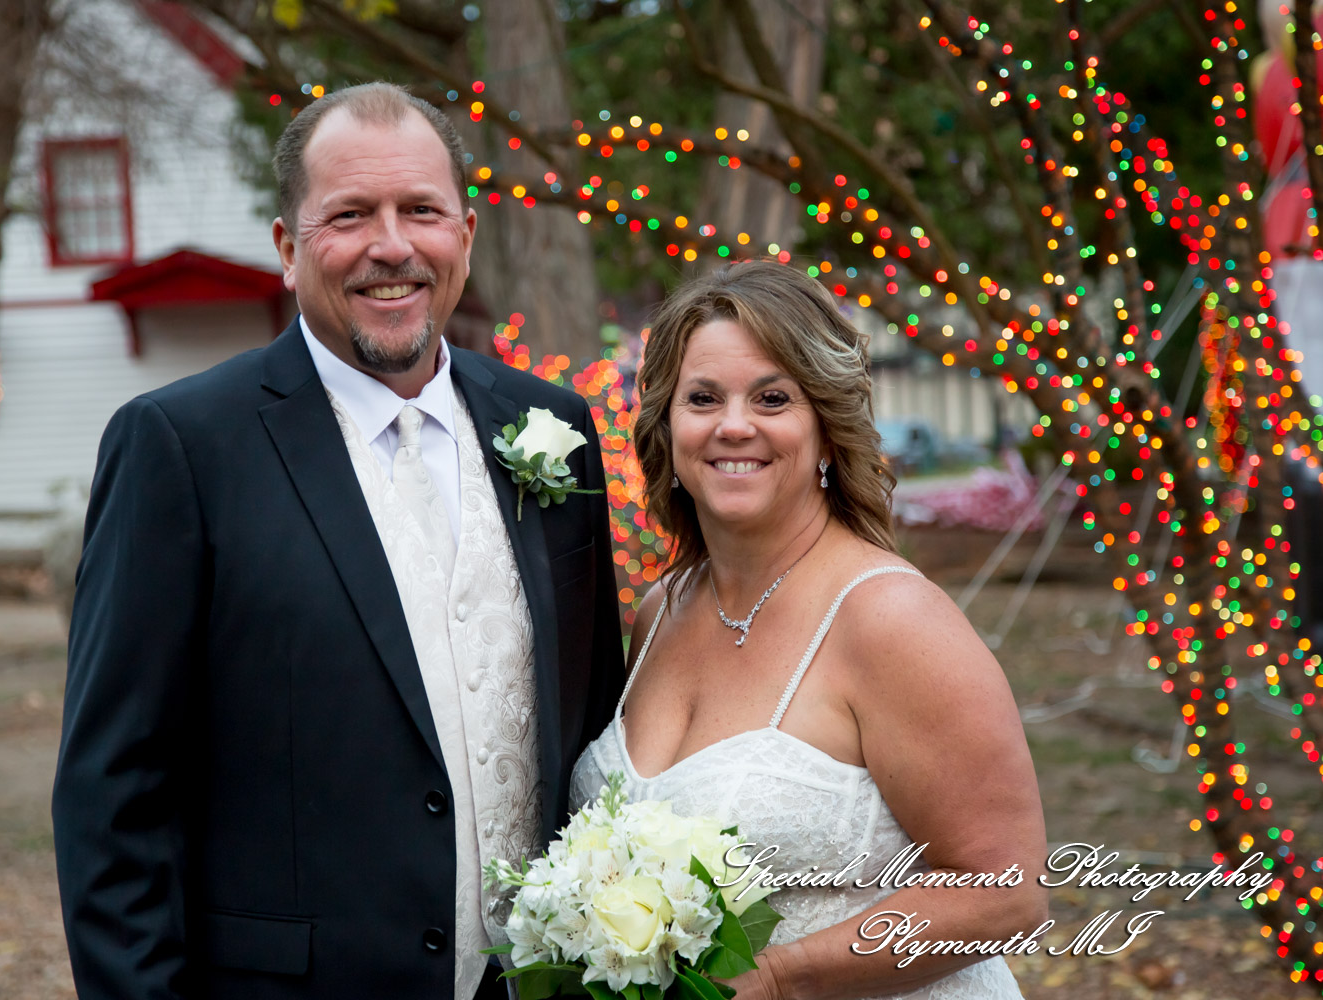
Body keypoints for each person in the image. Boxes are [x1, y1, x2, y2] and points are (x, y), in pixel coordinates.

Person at [52, 82, 626, 1000]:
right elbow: (113, 795)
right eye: (350, 215)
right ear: (288, 247)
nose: (392, 246)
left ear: (466, 237)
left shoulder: (551, 424)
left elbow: (593, 715)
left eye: (421, 212)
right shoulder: (181, 446)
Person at [570, 261, 1047, 999]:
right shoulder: (659, 611)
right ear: (668, 428)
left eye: (772, 397)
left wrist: (785, 975)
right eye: (703, 398)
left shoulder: (891, 619)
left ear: (826, 431)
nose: (734, 425)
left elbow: (1007, 893)